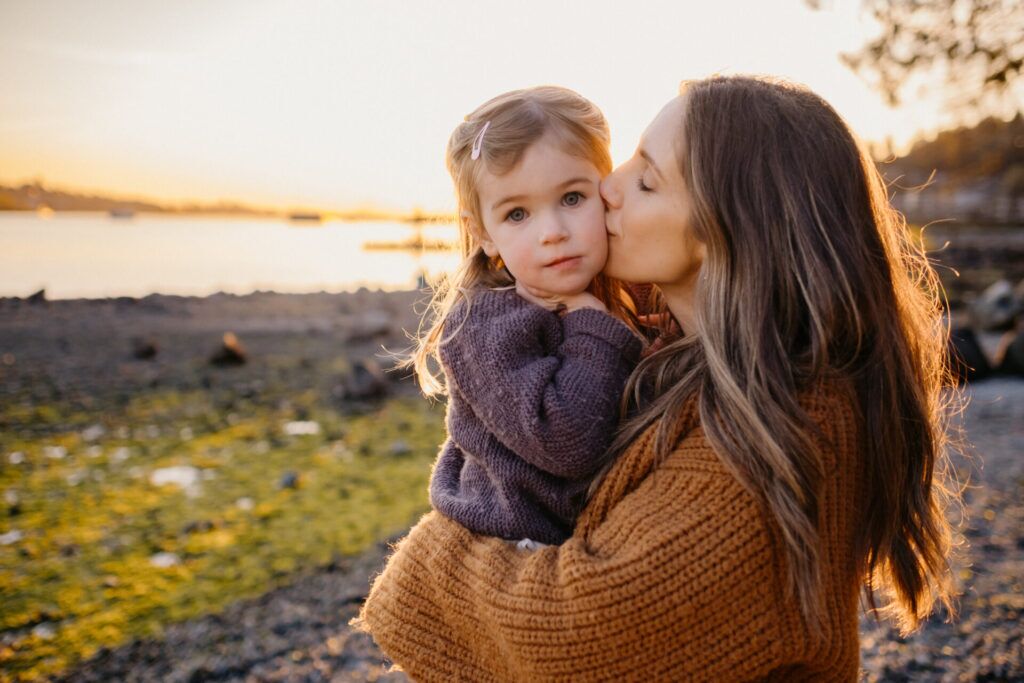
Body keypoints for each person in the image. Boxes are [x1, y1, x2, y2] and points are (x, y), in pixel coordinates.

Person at [356, 76, 958, 681]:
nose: (607, 187)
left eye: (645, 180)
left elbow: (582, 631)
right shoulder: (690, 350)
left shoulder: (790, 419)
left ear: (729, 229)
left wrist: (434, 557)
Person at [411, 86, 642, 549]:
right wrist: (593, 328)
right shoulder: (482, 327)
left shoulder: (626, 288)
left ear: (607, 190)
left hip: (594, 526)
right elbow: (566, 440)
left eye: (573, 199)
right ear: (484, 234)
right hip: (515, 536)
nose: (553, 232)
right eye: (517, 214)